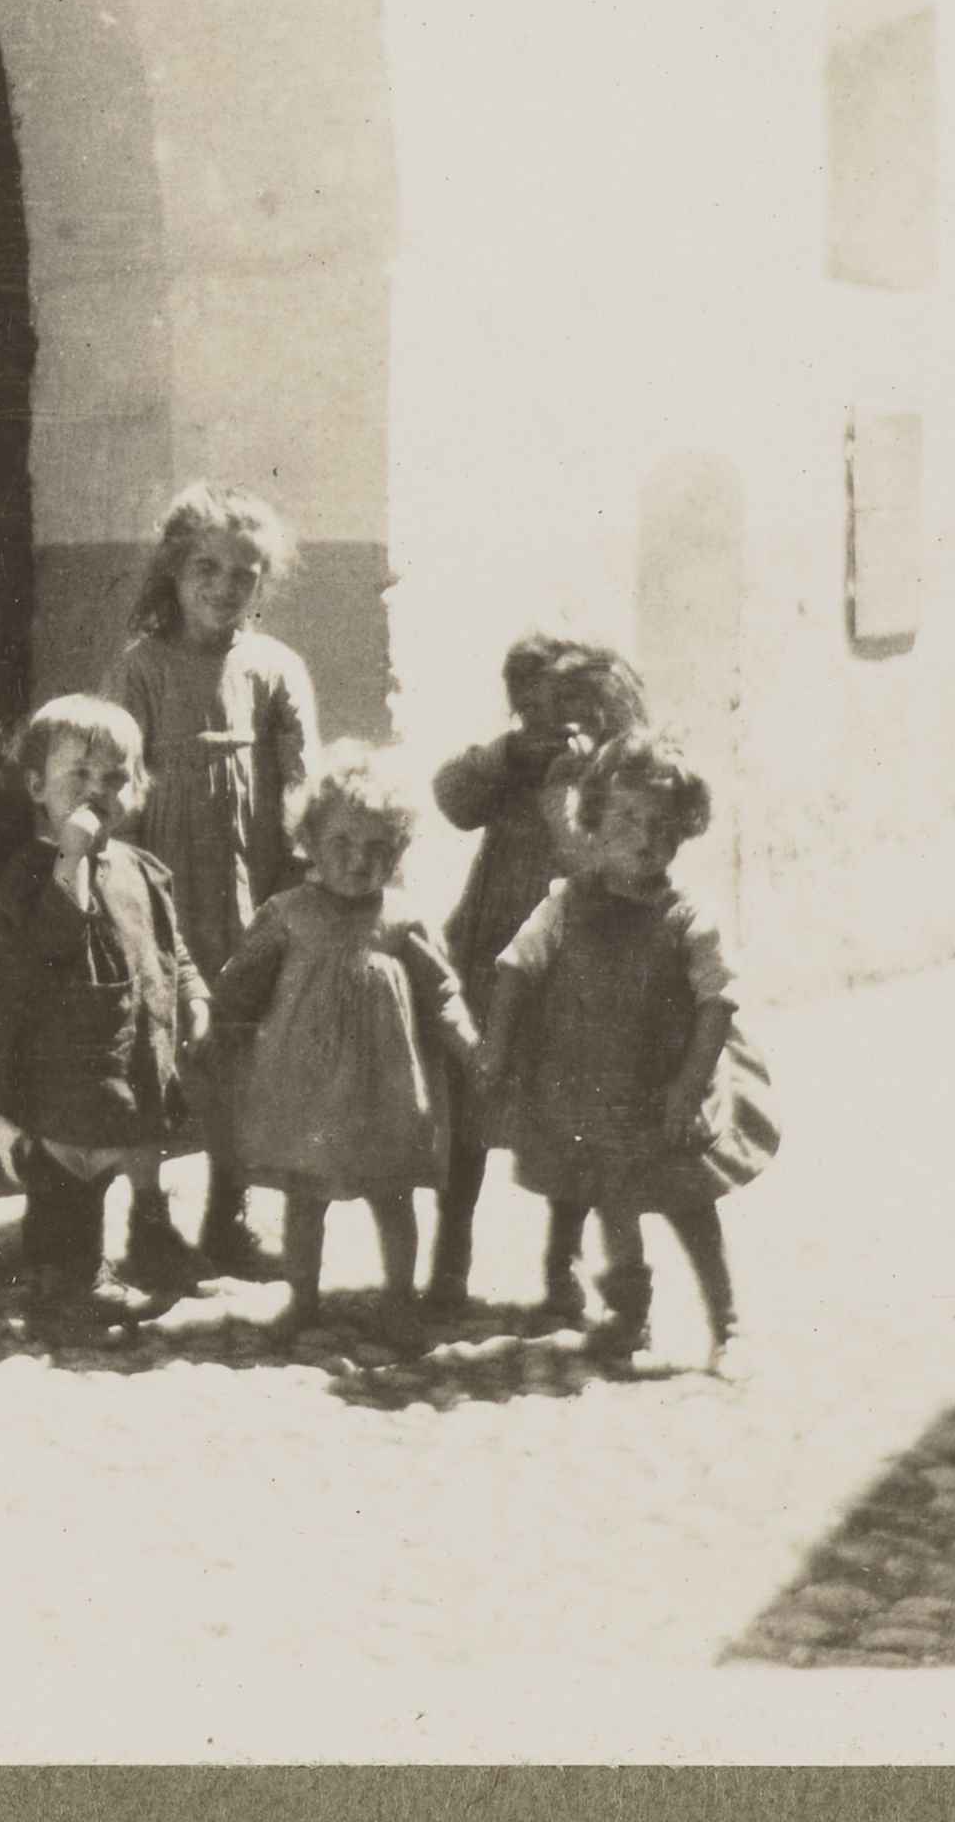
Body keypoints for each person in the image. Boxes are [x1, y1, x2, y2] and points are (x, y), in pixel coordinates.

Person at [482, 732, 765, 1374]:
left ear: (683, 830)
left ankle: (728, 1324)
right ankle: (630, 1315)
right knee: (612, 1199)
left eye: (662, 824)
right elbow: (517, 965)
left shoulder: (689, 917)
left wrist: (689, 1083)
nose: (644, 837)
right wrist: (496, 1045)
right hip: (592, 1090)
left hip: (666, 1089)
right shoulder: (565, 904)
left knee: (690, 1204)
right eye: (628, 819)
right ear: (594, 820)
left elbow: (718, 1001)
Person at [103, 483, 317, 1279]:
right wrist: (121, 887)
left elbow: (301, 774)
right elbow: (117, 782)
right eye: (207, 568)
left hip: (247, 883)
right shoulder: (143, 670)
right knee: (152, 1047)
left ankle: (230, 1214)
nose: (225, 587)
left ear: (263, 583)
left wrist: (300, 862)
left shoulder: (275, 669)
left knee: (236, 1048)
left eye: (244, 574)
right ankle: (149, 1224)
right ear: (174, 570)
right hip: (160, 886)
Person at [207, 745, 479, 1351]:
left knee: (393, 1197)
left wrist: (467, 1044)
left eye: (379, 847)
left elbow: (440, 992)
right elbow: (239, 985)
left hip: (385, 1093)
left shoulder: (402, 919)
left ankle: (399, 1301)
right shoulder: (287, 914)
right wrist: (212, 1028)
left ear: (399, 850)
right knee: (305, 1201)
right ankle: (302, 1300)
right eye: (343, 843)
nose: (360, 860)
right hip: (306, 1089)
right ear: (309, 841)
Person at [0, 697, 211, 1332]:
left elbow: (170, 946)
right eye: (79, 775)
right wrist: (70, 857)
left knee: (133, 1144)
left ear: (138, 788)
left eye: (116, 777)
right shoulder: (32, 874)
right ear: (37, 787)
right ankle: (65, 1282)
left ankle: (149, 1237)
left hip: (130, 1050)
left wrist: (195, 996)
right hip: (60, 1061)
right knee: (69, 1171)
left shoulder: (143, 869)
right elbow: (53, 934)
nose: (98, 791)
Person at [426, 636, 651, 1318]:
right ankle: (450, 1258)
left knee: (569, 1120)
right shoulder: (510, 771)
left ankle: (564, 1260)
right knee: (470, 1111)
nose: (557, 732)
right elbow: (452, 797)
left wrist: (568, 792)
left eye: (577, 719)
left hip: (569, 977)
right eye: (537, 714)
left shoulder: (615, 789)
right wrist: (507, 755)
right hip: (488, 963)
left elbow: (601, 865)